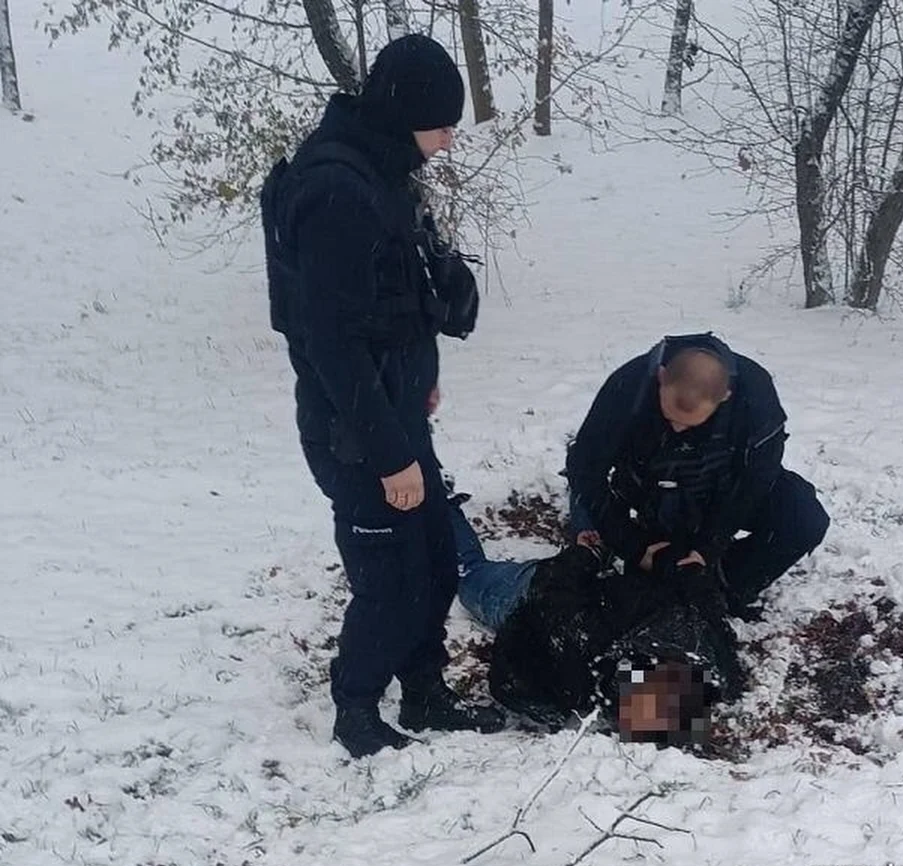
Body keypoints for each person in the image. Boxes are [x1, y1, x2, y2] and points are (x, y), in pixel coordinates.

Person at [259, 34, 503, 759]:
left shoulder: (382, 170)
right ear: (404, 116)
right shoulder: (337, 192)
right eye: (441, 125)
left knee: (433, 558)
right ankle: (357, 709)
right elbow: (332, 344)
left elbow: (392, 301)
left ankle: (425, 692)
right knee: (389, 575)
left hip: (394, 410)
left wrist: (420, 377)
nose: (449, 140)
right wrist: (391, 457)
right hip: (356, 429)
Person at [566, 332, 830, 618]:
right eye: (670, 417)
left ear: (725, 396)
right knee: (645, 571)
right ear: (661, 377)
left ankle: (725, 584)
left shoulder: (755, 396)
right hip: (648, 487)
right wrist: (633, 545)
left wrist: (710, 547)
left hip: (722, 484)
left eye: (691, 424)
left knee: (804, 518)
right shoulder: (628, 386)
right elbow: (585, 467)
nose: (678, 429)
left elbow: (757, 478)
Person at [448, 500, 746, 744]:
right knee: (473, 574)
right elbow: (554, 592)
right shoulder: (590, 641)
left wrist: (588, 556)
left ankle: (446, 508)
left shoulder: (700, 650)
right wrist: (589, 557)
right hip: (550, 591)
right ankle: (583, 479)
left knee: (471, 575)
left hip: (539, 603)